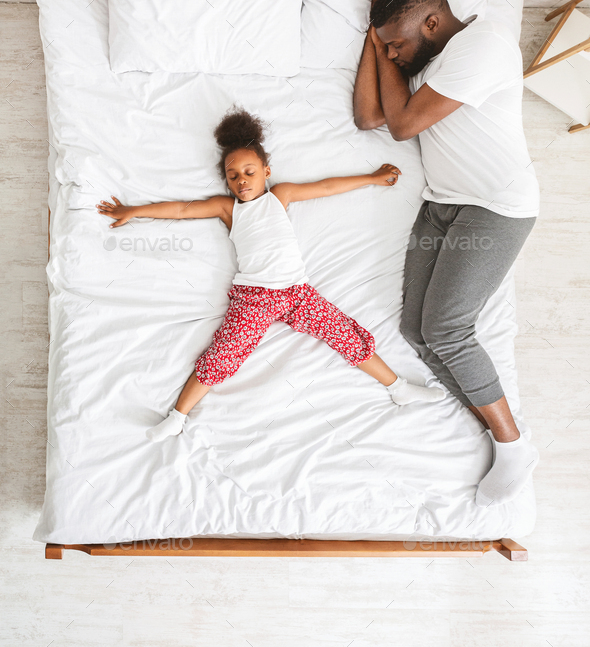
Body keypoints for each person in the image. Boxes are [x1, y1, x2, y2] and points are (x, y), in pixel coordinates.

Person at [97, 107, 444, 442]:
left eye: (249, 171)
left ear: (266, 170)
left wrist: (371, 179)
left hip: (297, 293)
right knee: (224, 353)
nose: (241, 180)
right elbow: (182, 209)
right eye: (233, 176)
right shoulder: (228, 208)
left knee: (345, 334)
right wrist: (135, 211)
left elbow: (326, 187)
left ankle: (397, 388)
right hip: (256, 298)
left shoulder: (281, 195)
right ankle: (177, 417)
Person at [353, 0, 540, 508]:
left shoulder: (484, 44)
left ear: (432, 23)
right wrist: (380, 41)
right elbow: (371, 115)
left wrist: (382, 50)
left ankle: (511, 442)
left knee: (447, 329)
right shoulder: (427, 63)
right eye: (387, 46)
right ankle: (495, 424)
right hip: (442, 204)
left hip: (495, 206)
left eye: (398, 42)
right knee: (416, 331)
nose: (392, 53)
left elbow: (403, 126)